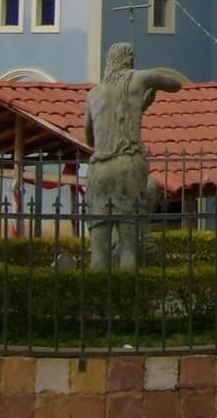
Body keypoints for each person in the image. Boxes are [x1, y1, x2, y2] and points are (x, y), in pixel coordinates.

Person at [83, 42, 189, 270]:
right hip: (127, 164)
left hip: (99, 169)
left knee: (99, 251)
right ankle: (129, 300)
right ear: (129, 58)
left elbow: (90, 139)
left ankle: (95, 301)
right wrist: (153, 87)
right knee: (129, 246)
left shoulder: (93, 94)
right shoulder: (139, 79)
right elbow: (175, 84)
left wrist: (139, 107)